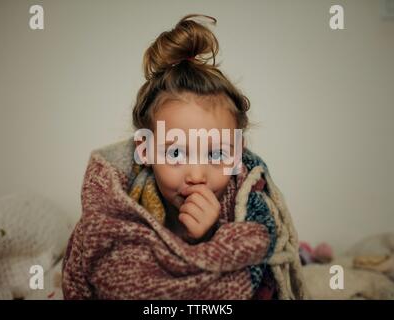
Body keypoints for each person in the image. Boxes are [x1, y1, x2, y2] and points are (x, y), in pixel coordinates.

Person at [62, 14, 307, 300]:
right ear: (145, 150)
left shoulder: (243, 204)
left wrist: (210, 236)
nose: (197, 175)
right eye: (176, 152)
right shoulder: (122, 208)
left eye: (216, 154)